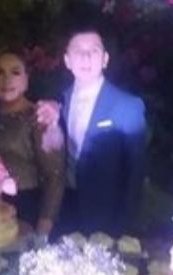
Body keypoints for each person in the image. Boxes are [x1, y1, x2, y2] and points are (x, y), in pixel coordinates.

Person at [55, 27, 147, 236]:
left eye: (94, 51)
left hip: (105, 217)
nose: (86, 57)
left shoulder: (127, 106)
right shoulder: (58, 100)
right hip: (63, 213)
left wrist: (123, 226)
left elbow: (135, 173)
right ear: (67, 60)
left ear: (105, 59)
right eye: (78, 50)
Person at [0, 50, 65, 237]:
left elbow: (55, 177)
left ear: (26, 78)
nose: (7, 80)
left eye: (15, 72)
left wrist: (43, 230)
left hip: (26, 211)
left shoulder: (41, 117)